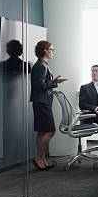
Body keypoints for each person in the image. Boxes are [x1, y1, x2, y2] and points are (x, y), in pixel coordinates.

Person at [30, 40, 67, 171]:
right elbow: (39, 86)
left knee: (42, 132)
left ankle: (42, 159)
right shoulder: (41, 65)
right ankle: (39, 158)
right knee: (50, 131)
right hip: (42, 103)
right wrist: (54, 82)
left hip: (42, 102)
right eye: (51, 49)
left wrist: (52, 84)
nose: (53, 52)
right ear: (45, 50)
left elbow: (43, 85)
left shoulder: (43, 64)